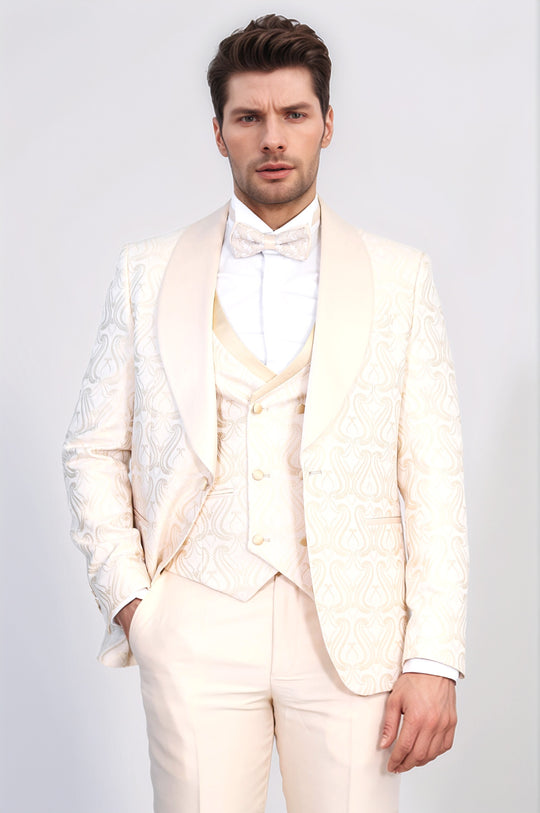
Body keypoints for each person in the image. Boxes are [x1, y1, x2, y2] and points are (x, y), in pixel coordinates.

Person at [62, 13, 468, 813]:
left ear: (327, 125)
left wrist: (435, 656)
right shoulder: (147, 272)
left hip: (353, 632)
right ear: (218, 133)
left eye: (294, 114)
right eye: (249, 117)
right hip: (196, 619)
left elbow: (433, 476)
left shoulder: (400, 278)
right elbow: (92, 448)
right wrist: (137, 605)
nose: (273, 137)